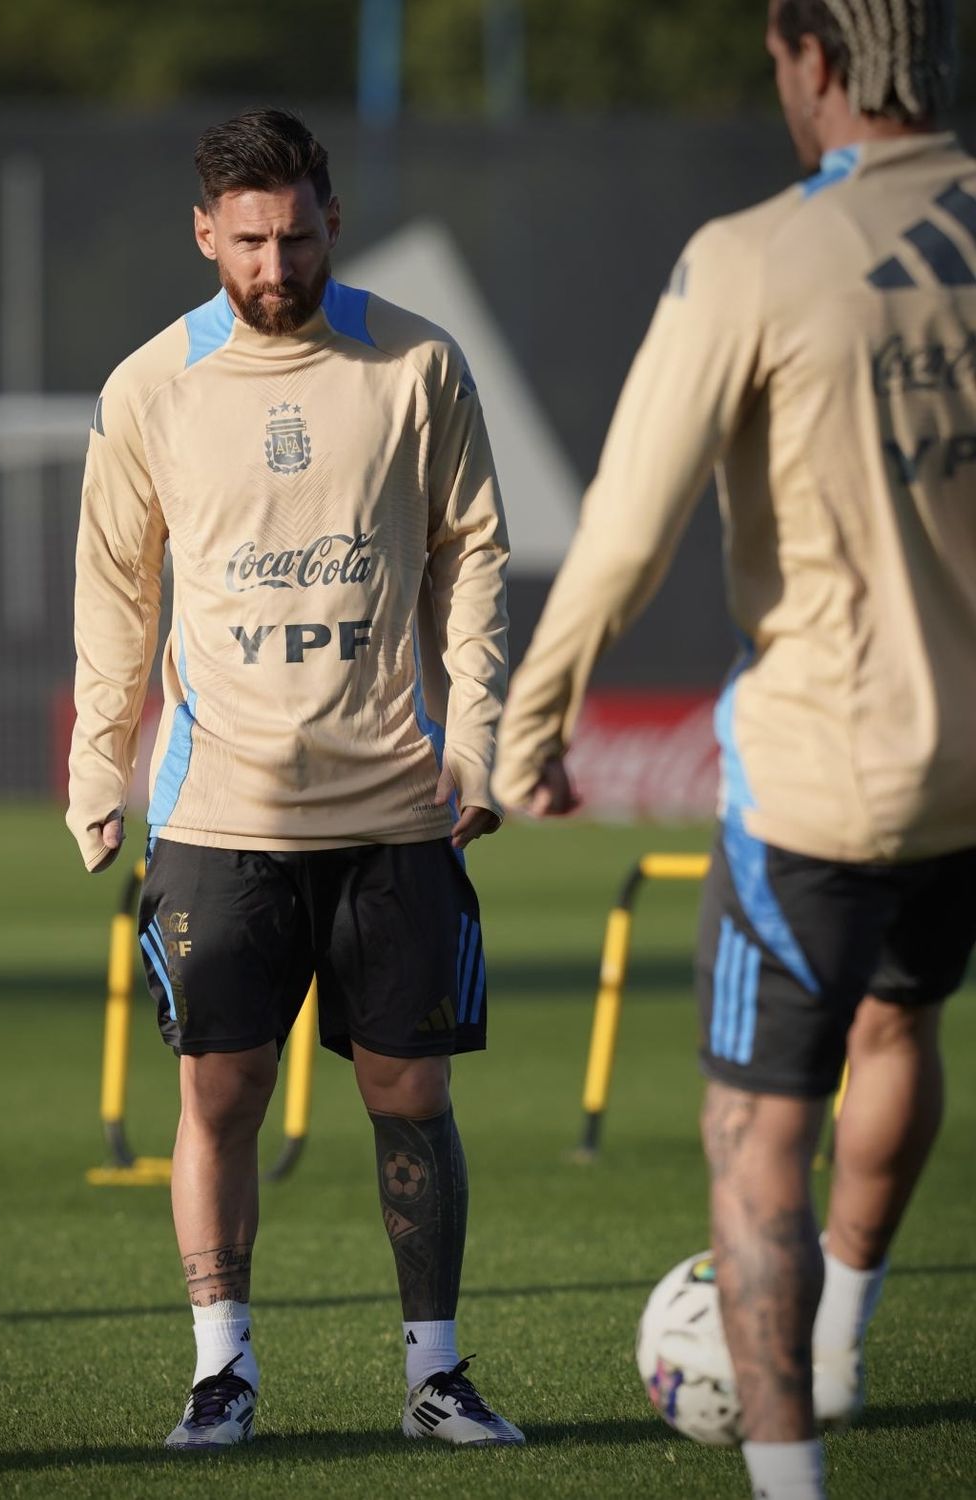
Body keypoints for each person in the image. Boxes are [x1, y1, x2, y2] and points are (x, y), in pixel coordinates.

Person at [494, 3, 973, 1495]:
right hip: (971, 774)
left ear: (813, 56)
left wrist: (532, 726)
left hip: (826, 774)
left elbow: (625, 529)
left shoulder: (753, 256)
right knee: (904, 1028)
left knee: (756, 1129)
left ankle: (788, 1480)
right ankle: (841, 1340)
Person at [66, 107, 522, 1452]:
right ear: (207, 231)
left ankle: (435, 1375)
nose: (276, 266)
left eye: (298, 235)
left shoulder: (417, 365)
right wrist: (102, 765)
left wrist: (480, 737)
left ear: (333, 214)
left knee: (413, 1097)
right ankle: (224, 1372)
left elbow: (476, 559)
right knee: (220, 1095)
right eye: (249, 241)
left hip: (393, 806)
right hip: (220, 812)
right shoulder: (150, 386)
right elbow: (114, 592)